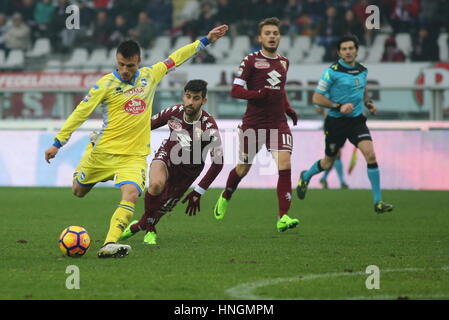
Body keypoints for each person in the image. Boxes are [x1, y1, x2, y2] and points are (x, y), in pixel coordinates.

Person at [44, 25, 229, 258]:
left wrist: (205, 40)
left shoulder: (150, 76)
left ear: (138, 62)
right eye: (120, 64)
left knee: (131, 193)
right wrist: (58, 143)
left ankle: (109, 244)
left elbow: (175, 59)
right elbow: (80, 113)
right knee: (78, 191)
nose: (125, 70)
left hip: (133, 156)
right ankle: (90, 155)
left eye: (130, 66)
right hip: (103, 152)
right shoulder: (105, 84)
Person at [213, 17, 299, 232]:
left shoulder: (284, 62)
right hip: (254, 124)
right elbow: (235, 90)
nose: (272, 36)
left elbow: (279, 90)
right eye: (268, 33)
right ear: (260, 37)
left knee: (285, 164)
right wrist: (258, 94)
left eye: (275, 33)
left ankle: (283, 217)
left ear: (279, 37)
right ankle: (226, 194)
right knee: (243, 168)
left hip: (278, 123)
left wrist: (288, 109)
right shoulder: (250, 60)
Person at [296, 35, 393, 214]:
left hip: (356, 121)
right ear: (339, 52)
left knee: (370, 155)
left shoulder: (363, 70)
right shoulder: (331, 72)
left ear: (356, 50)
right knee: (327, 162)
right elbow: (316, 98)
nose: (348, 52)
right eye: (344, 49)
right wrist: (338, 106)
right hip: (335, 123)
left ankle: (378, 202)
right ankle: (306, 176)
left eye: (351, 48)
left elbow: (363, 89)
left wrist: (369, 103)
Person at [119, 80, 223, 245]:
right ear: (183, 95)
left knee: (160, 207)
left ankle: (139, 226)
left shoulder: (209, 127)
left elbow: (218, 163)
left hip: (188, 173)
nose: (190, 102)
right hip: (166, 156)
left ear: (204, 101)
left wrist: (198, 191)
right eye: (187, 96)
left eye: (196, 98)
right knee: (155, 185)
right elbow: (145, 126)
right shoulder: (174, 112)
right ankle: (151, 229)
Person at [314, 106, 349, 190]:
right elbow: (317, 107)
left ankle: (323, 178)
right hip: (330, 126)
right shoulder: (326, 95)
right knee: (336, 154)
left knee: (332, 157)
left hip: (339, 126)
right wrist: (326, 112)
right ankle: (342, 181)